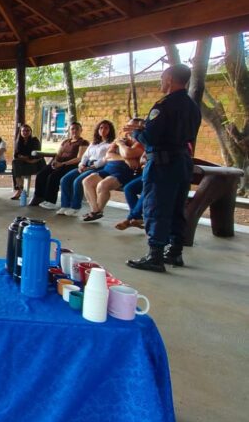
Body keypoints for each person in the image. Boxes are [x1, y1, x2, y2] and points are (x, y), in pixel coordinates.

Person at [126, 64, 201, 272]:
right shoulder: (192, 106)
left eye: (162, 78)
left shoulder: (163, 106)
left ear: (169, 79)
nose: (160, 82)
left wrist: (135, 132)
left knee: (156, 207)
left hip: (162, 164)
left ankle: (155, 255)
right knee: (177, 208)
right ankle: (175, 252)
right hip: (182, 162)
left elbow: (150, 138)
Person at [80, 130, 144, 221]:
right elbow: (108, 155)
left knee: (103, 185)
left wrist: (120, 145)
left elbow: (128, 154)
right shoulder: (118, 141)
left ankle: (97, 212)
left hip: (123, 172)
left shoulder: (138, 143)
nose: (127, 133)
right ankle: (95, 210)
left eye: (130, 130)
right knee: (87, 181)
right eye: (126, 130)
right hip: (108, 169)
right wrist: (125, 159)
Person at [56, 120, 115, 216]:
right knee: (65, 179)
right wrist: (81, 164)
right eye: (101, 128)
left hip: (98, 167)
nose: (103, 130)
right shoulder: (94, 143)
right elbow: (85, 156)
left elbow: (107, 158)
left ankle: (75, 207)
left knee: (78, 181)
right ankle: (65, 205)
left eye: (106, 128)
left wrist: (93, 166)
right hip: (86, 165)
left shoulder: (111, 144)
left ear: (110, 130)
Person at [29, 122, 89, 208]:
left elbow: (79, 158)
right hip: (59, 163)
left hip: (71, 165)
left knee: (53, 176)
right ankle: (39, 196)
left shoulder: (83, 142)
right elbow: (58, 154)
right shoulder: (65, 142)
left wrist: (62, 164)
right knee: (41, 174)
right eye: (72, 129)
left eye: (77, 129)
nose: (74, 131)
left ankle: (51, 201)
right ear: (69, 130)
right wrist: (55, 162)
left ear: (81, 130)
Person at [10, 124, 45, 200]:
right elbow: (16, 155)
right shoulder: (19, 141)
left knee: (15, 169)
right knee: (15, 163)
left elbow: (36, 155)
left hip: (35, 165)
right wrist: (27, 159)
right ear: (21, 132)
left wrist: (24, 158)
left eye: (27, 130)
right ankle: (20, 188)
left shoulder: (35, 140)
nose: (25, 132)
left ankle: (19, 190)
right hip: (26, 164)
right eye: (23, 131)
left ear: (30, 132)